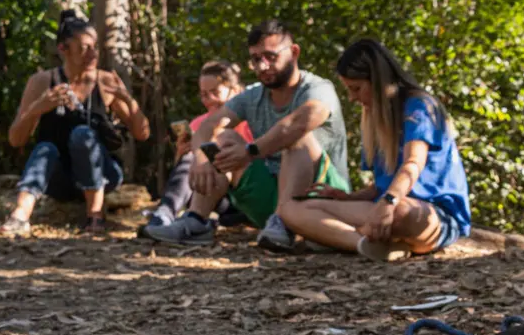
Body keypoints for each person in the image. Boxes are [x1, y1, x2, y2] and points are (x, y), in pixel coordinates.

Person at [143, 20, 350, 250]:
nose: (262, 66)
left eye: (270, 56)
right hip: (270, 200)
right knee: (224, 138)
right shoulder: (252, 95)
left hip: (323, 197)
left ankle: (286, 223)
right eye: (255, 59)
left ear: (294, 52)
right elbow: (207, 126)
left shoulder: (318, 88)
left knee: (297, 137)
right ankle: (197, 220)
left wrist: (251, 151)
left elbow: (298, 123)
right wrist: (201, 158)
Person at [279, 39, 470, 262]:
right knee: (289, 209)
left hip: (432, 216)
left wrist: (388, 203)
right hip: (382, 208)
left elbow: (412, 165)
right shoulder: (374, 119)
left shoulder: (419, 106)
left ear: (378, 81)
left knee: (400, 212)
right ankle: (364, 244)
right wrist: (346, 198)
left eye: (356, 89)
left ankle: (337, 236)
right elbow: (379, 186)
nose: (352, 98)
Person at [0, 10, 150, 236]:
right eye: (84, 47)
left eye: (94, 47)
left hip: (104, 174)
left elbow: (143, 134)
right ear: (63, 49)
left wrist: (127, 99)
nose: (92, 54)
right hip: (60, 180)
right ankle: (19, 216)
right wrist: (38, 108)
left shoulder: (106, 81)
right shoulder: (42, 82)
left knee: (82, 135)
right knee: (45, 148)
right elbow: (15, 139)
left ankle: (95, 216)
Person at [137, 61, 253, 237]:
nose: (209, 100)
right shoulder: (199, 124)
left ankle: (173, 216)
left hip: (239, 195)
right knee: (193, 156)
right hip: (207, 193)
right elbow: (184, 173)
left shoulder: (249, 122)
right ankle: (165, 214)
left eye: (215, 92)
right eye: (204, 94)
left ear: (235, 91)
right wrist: (182, 152)